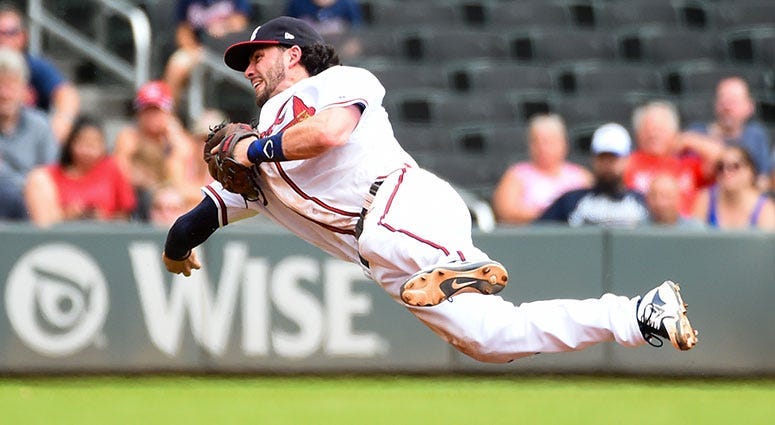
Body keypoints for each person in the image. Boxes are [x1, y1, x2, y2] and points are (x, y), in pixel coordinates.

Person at [161, 17, 698, 364]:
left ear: (293, 53)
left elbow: (329, 133)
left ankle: (461, 263)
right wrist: (176, 250)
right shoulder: (255, 176)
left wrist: (254, 149)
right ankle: (637, 313)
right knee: (491, 341)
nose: (248, 68)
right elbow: (198, 218)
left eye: (257, 56)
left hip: (405, 203)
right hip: (392, 260)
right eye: (245, 63)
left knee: (383, 237)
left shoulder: (339, 82)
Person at [24, 116, 136, 227]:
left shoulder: (113, 167)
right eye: (83, 143)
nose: (88, 150)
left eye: (94, 144)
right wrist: (67, 214)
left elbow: (125, 214)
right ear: (71, 144)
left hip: (105, 233)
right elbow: (44, 222)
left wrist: (103, 218)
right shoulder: (47, 176)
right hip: (63, 233)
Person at [537, 123, 650, 227]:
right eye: (602, 158)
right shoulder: (572, 201)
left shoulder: (642, 203)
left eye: (613, 158)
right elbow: (537, 232)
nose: (607, 164)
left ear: (627, 159)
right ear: (594, 159)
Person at [113, 80, 195, 221]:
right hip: (140, 205)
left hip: (173, 201)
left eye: (156, 111)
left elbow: (181, 183)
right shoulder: (130, 138)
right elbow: (121, 174)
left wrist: (174, 142)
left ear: (168, 113)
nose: (151, 117)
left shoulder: (179, 140)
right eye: (147, 111)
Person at [624, 101, 721, 216]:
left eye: (660, 130)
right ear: (638, 134)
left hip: (685, 225)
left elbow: (721, 159)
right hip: (643, 224)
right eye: (648, 130)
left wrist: (688, 140)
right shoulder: (628, 163)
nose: (654, 135)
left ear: (674, 133)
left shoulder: (687, 165)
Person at [492, 114, 592, 225]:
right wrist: (554, 213)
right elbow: (506, 212)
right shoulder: (516, 175)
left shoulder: (582, 177)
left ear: (563, 144)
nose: (542, 148)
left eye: (549, 142)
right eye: (537, 142)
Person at [0, 3, 80, 142]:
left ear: (24, 36)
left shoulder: (35, 66)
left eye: (11, 32)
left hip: (31, 143)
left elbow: (67, 95)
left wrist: (58, 127)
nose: (4, 39)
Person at [0, 47, 58, 220]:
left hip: (31, 204)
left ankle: (46, 238)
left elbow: (51, 174)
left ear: (24, 91)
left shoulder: (40, 125)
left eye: (11, 85)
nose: (4, 94)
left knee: (40, 183)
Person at [685, 77, 771, 190]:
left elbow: (764, 179)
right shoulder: (697, 132)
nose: (727, 107)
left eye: (733, 102)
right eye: (723, 101)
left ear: (749, 107)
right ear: (716, 105)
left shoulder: (756, 136)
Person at [164, 0, 252, 103]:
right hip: (200, 50)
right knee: (177, 64)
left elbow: (241, 22)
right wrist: (194, 49)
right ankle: (167, 110)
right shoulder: (186, 2)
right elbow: (182, 31)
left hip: (229, 49)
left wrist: (223, 26)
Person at [692, 146, 775, 230]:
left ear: (750, 171)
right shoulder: (706, 199)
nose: (726, 172)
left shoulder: (765, 209)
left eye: (735, 166)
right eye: (720, 167)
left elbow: (766, 238)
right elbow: (694, 236)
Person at [285, 0, 364, 60]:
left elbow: (356, 37)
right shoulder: (296, 4)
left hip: (340, 53)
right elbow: (288, 32)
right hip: (307, 54)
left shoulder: (348, 4)